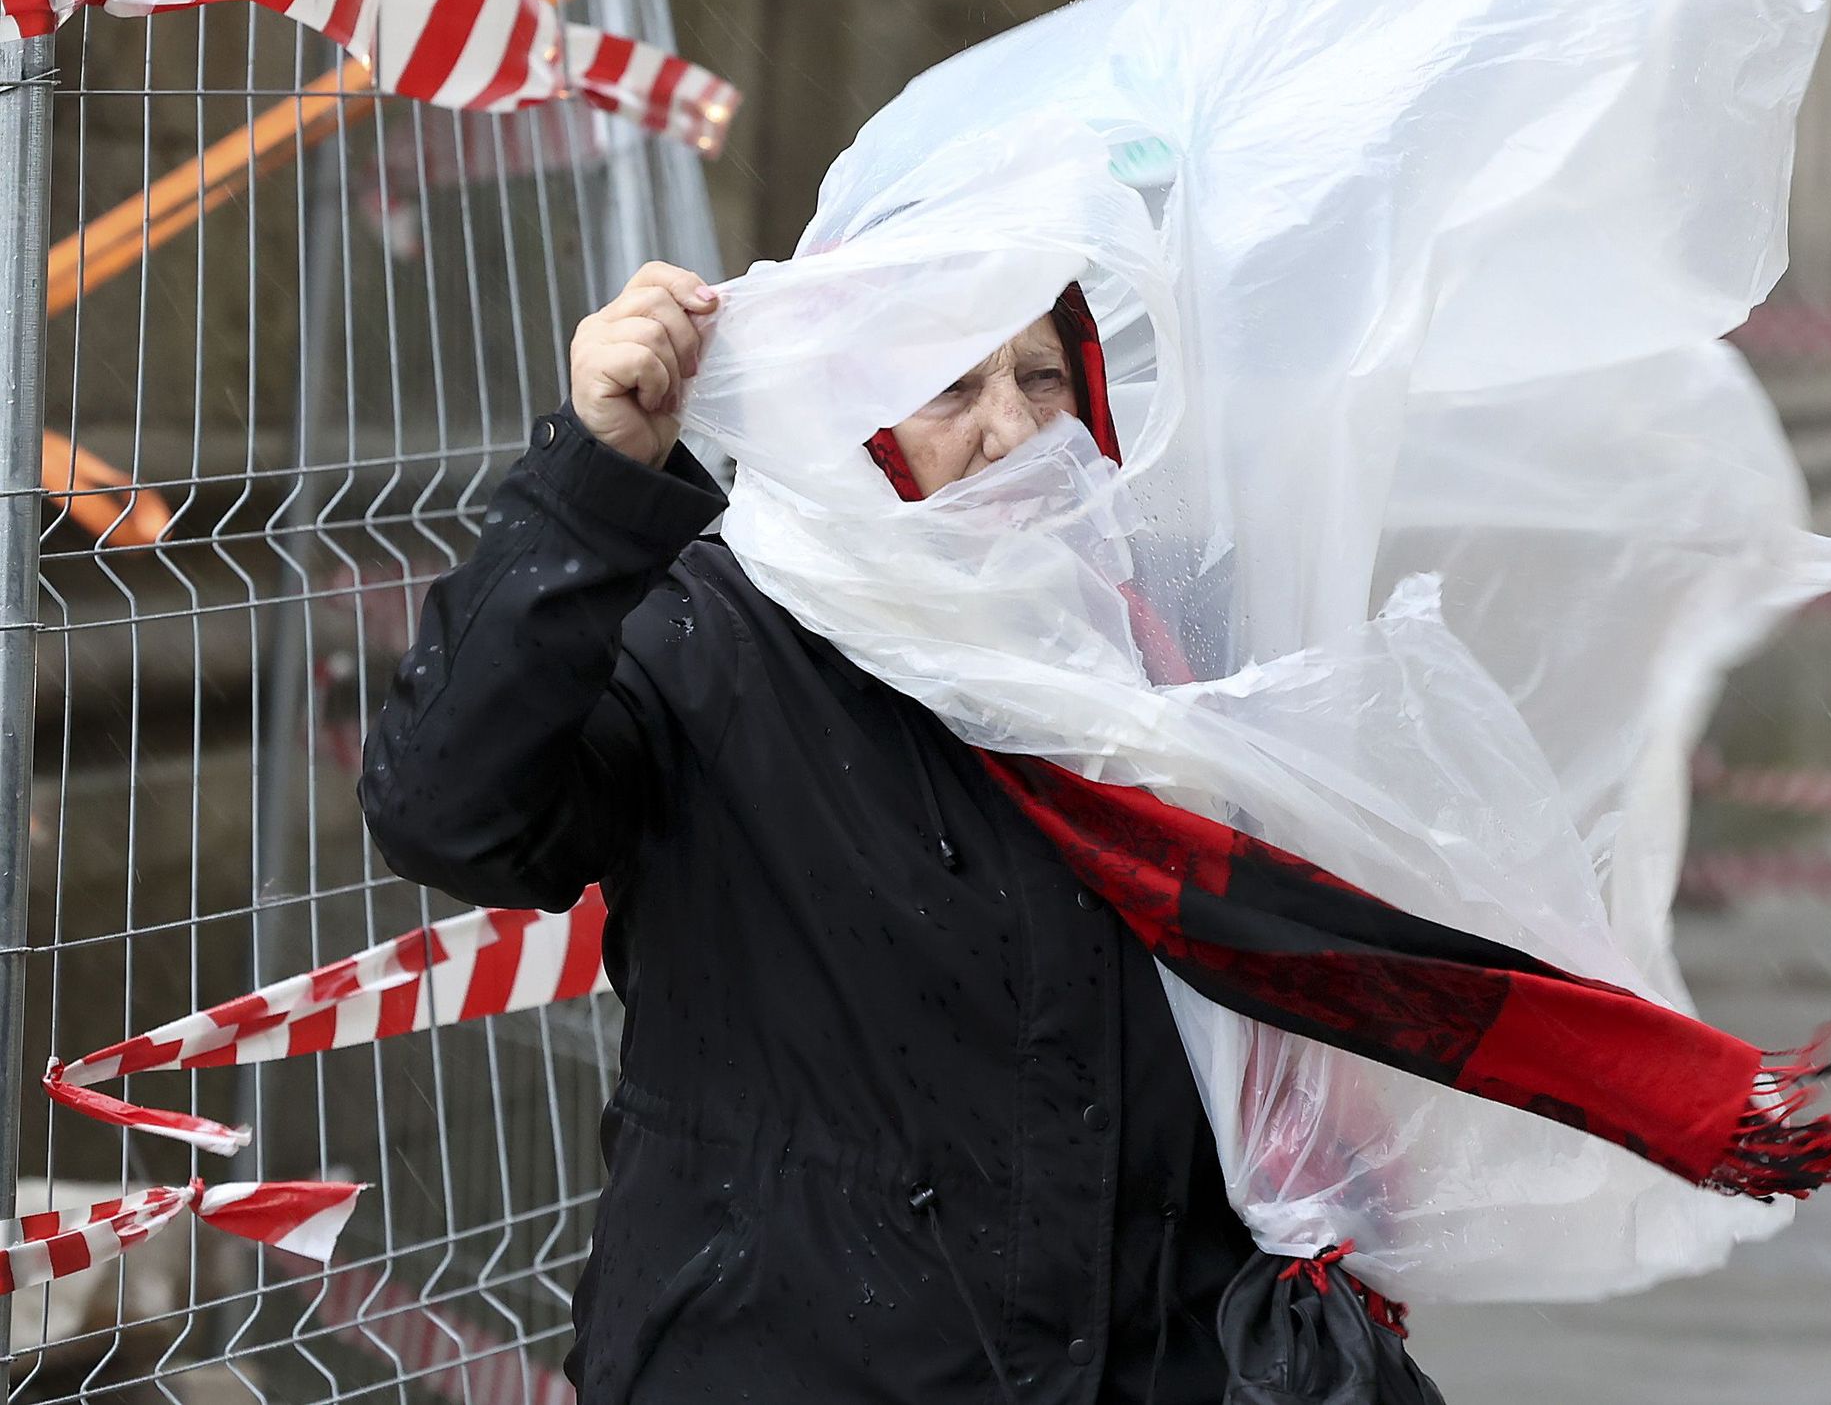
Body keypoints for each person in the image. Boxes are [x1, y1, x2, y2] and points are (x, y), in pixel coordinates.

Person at [359, 261, 1258, 1405]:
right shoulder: (718, 634)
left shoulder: (1157, 662)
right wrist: (593, 482)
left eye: (1043, 378)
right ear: (846, 411)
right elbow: (451, 816)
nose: (1015, 433)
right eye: (945, 389)